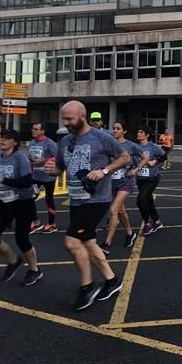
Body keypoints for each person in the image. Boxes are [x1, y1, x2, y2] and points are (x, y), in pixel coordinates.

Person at [44, 100, 130, 311]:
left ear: (82, 116)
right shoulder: (64, 141)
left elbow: (124, 157)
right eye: (63, 119)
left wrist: (104, 171)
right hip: (76, 200)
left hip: (97, 199)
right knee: (89, 243)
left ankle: (87, 287)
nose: (66, 123)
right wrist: (52, 170)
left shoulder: (101, 137)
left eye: (69, 118)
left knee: (72, 242)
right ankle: (112, 281)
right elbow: (61, 169)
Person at [0, 129, 43, 286]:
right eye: (2, 138)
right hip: (4, 202)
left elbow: (27, 182)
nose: (3, 140)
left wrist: (4, 179)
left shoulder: (20, 158)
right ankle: (13, 260)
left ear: (15, 142)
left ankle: (34, 270)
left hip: (23, 202)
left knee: (22, 239)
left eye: (7, 138)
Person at [100, 120, 146, 254]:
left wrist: (137, 169)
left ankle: (107, 243)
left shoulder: (131, 146)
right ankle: (130, 233)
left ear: (124, 131)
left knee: (113, 210)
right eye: (113, 128)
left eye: (118, 128)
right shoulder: (108, 145)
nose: (115, 130)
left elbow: (144, 158)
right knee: (121, 211)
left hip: (126, 182)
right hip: (111, 183)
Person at [135, 126, 167, 236]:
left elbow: (164, 156)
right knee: (148, 200)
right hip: (140, 178)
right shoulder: (135, 147)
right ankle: (157, 222)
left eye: (141, 131)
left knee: (141, 199)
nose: (138, 133)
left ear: (147, 135)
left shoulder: (153, 147)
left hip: (152, 177)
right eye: (138, 131)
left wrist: (155, 161)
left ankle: (147, 224)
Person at [28, 122, 58, 233]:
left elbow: (58, 156)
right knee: (29, 198)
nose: (33, 131)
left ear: (42, 131)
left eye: (36, 129)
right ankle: (35, 221)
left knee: (49, 200)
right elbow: (31, 158)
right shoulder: (31, 143)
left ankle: (51, 224)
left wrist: (44, 161)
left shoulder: (49, 143)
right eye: (32, 128)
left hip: (48, 176)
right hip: (35, 176)